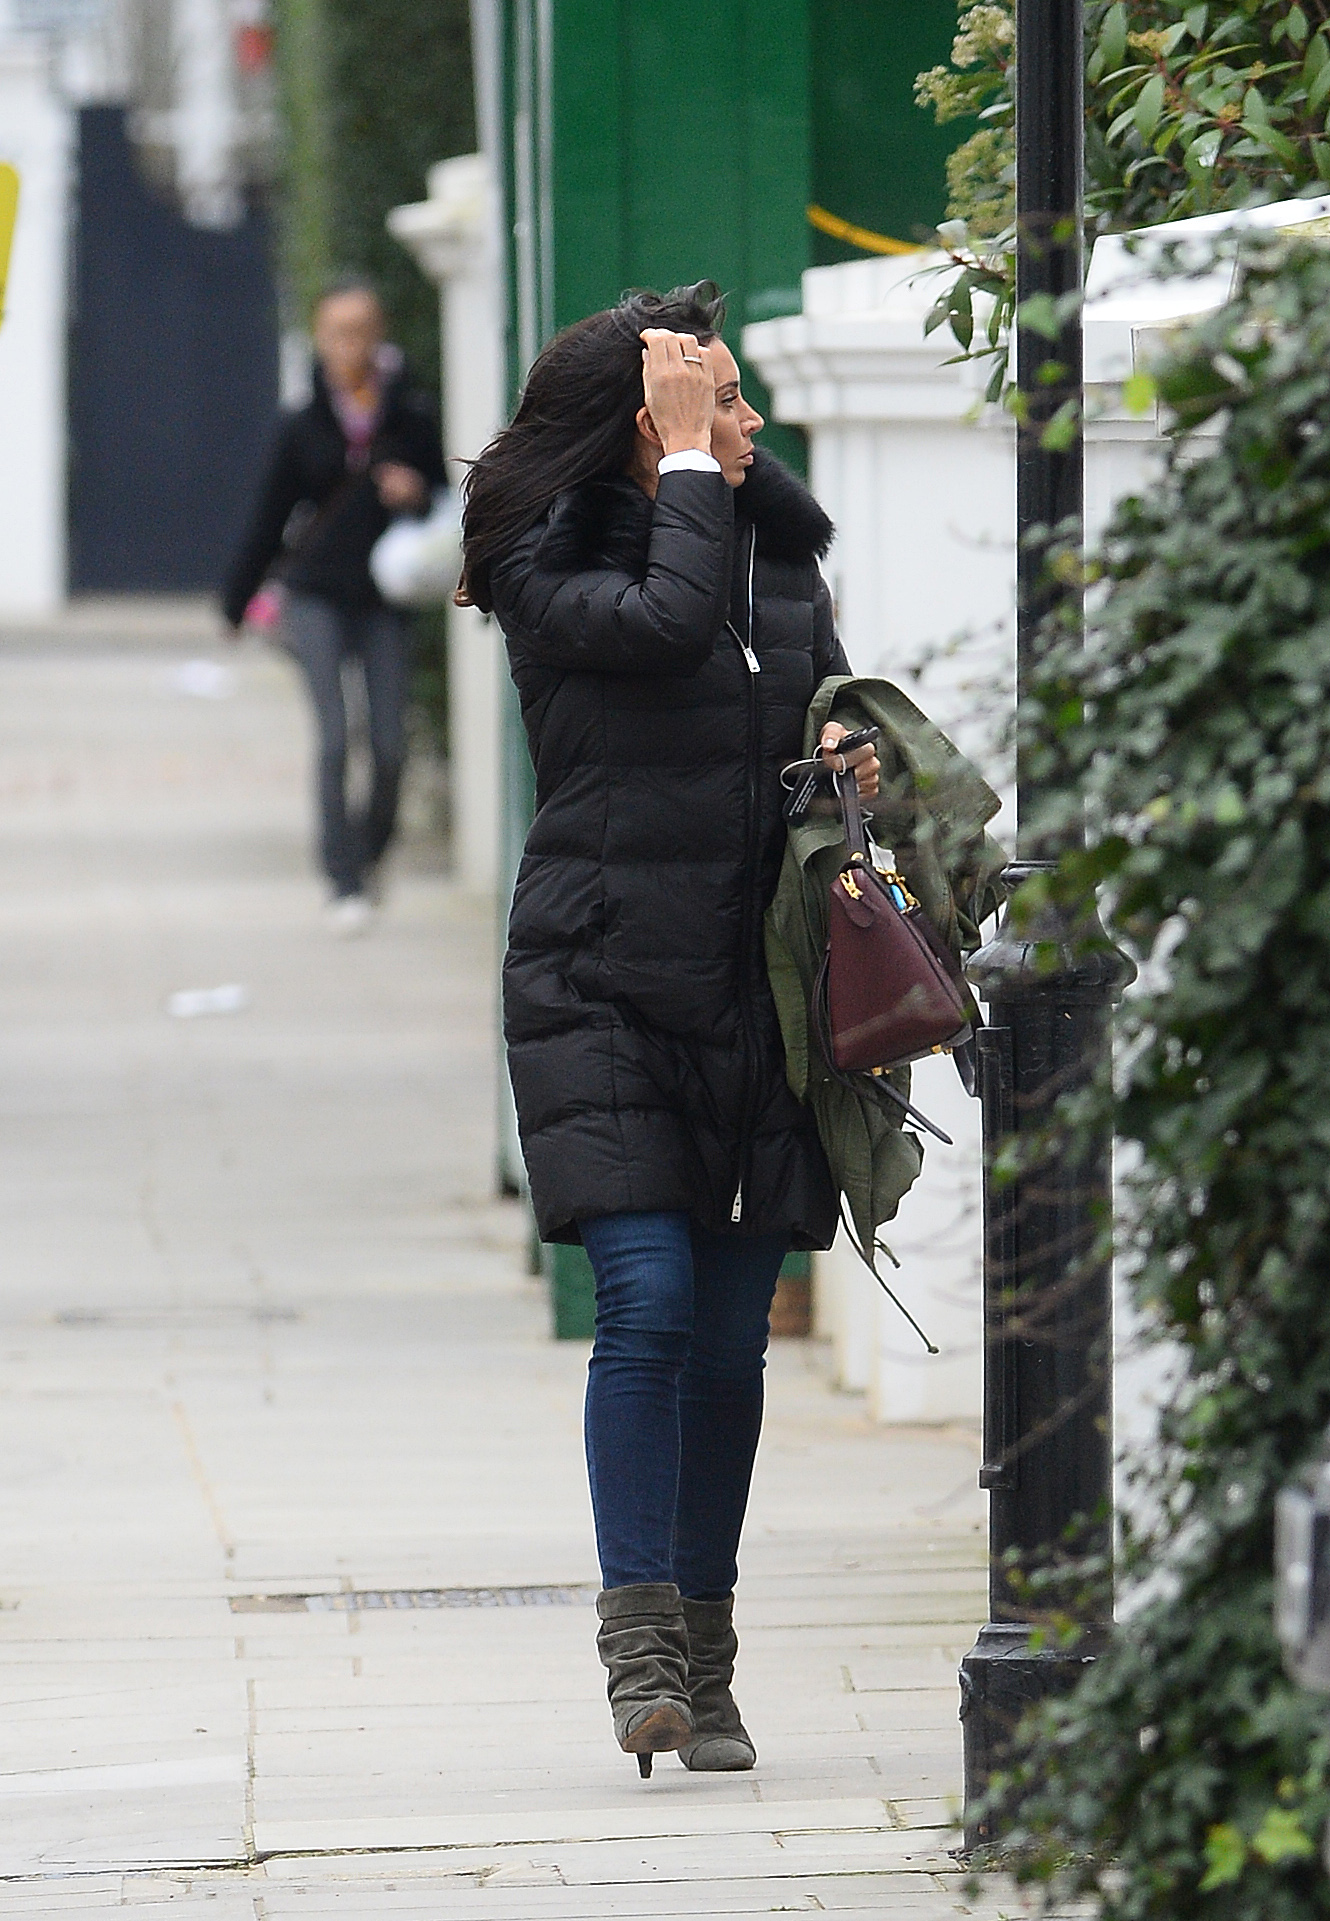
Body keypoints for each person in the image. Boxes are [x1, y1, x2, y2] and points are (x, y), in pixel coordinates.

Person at [458, 282, 879, 1775]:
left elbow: (812, 686)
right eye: (712, 397)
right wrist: (696, 473)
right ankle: (638, 1642)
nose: (745, 418)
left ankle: (705, 1644)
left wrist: (847, 746)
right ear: (645, 428)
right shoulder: (540, 561)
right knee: (641, 1299)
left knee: (725, 1336)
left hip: (755, 989)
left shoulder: (766, 555)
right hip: (597, 976)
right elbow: (661, 622)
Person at [222, 278, 446, 931]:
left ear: (380, 336)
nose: (351, 344)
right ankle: (340, 879)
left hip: (385, 596)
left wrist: (416, 492)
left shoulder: (412, 414)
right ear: (320, 339)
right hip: (315, 593)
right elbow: (269, 517)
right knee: (333, 735)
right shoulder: (302, 424)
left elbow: (446, 499)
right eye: (338, 332)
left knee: (389, 743)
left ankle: (371, 852)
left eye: (362, 330)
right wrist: (236, 603)